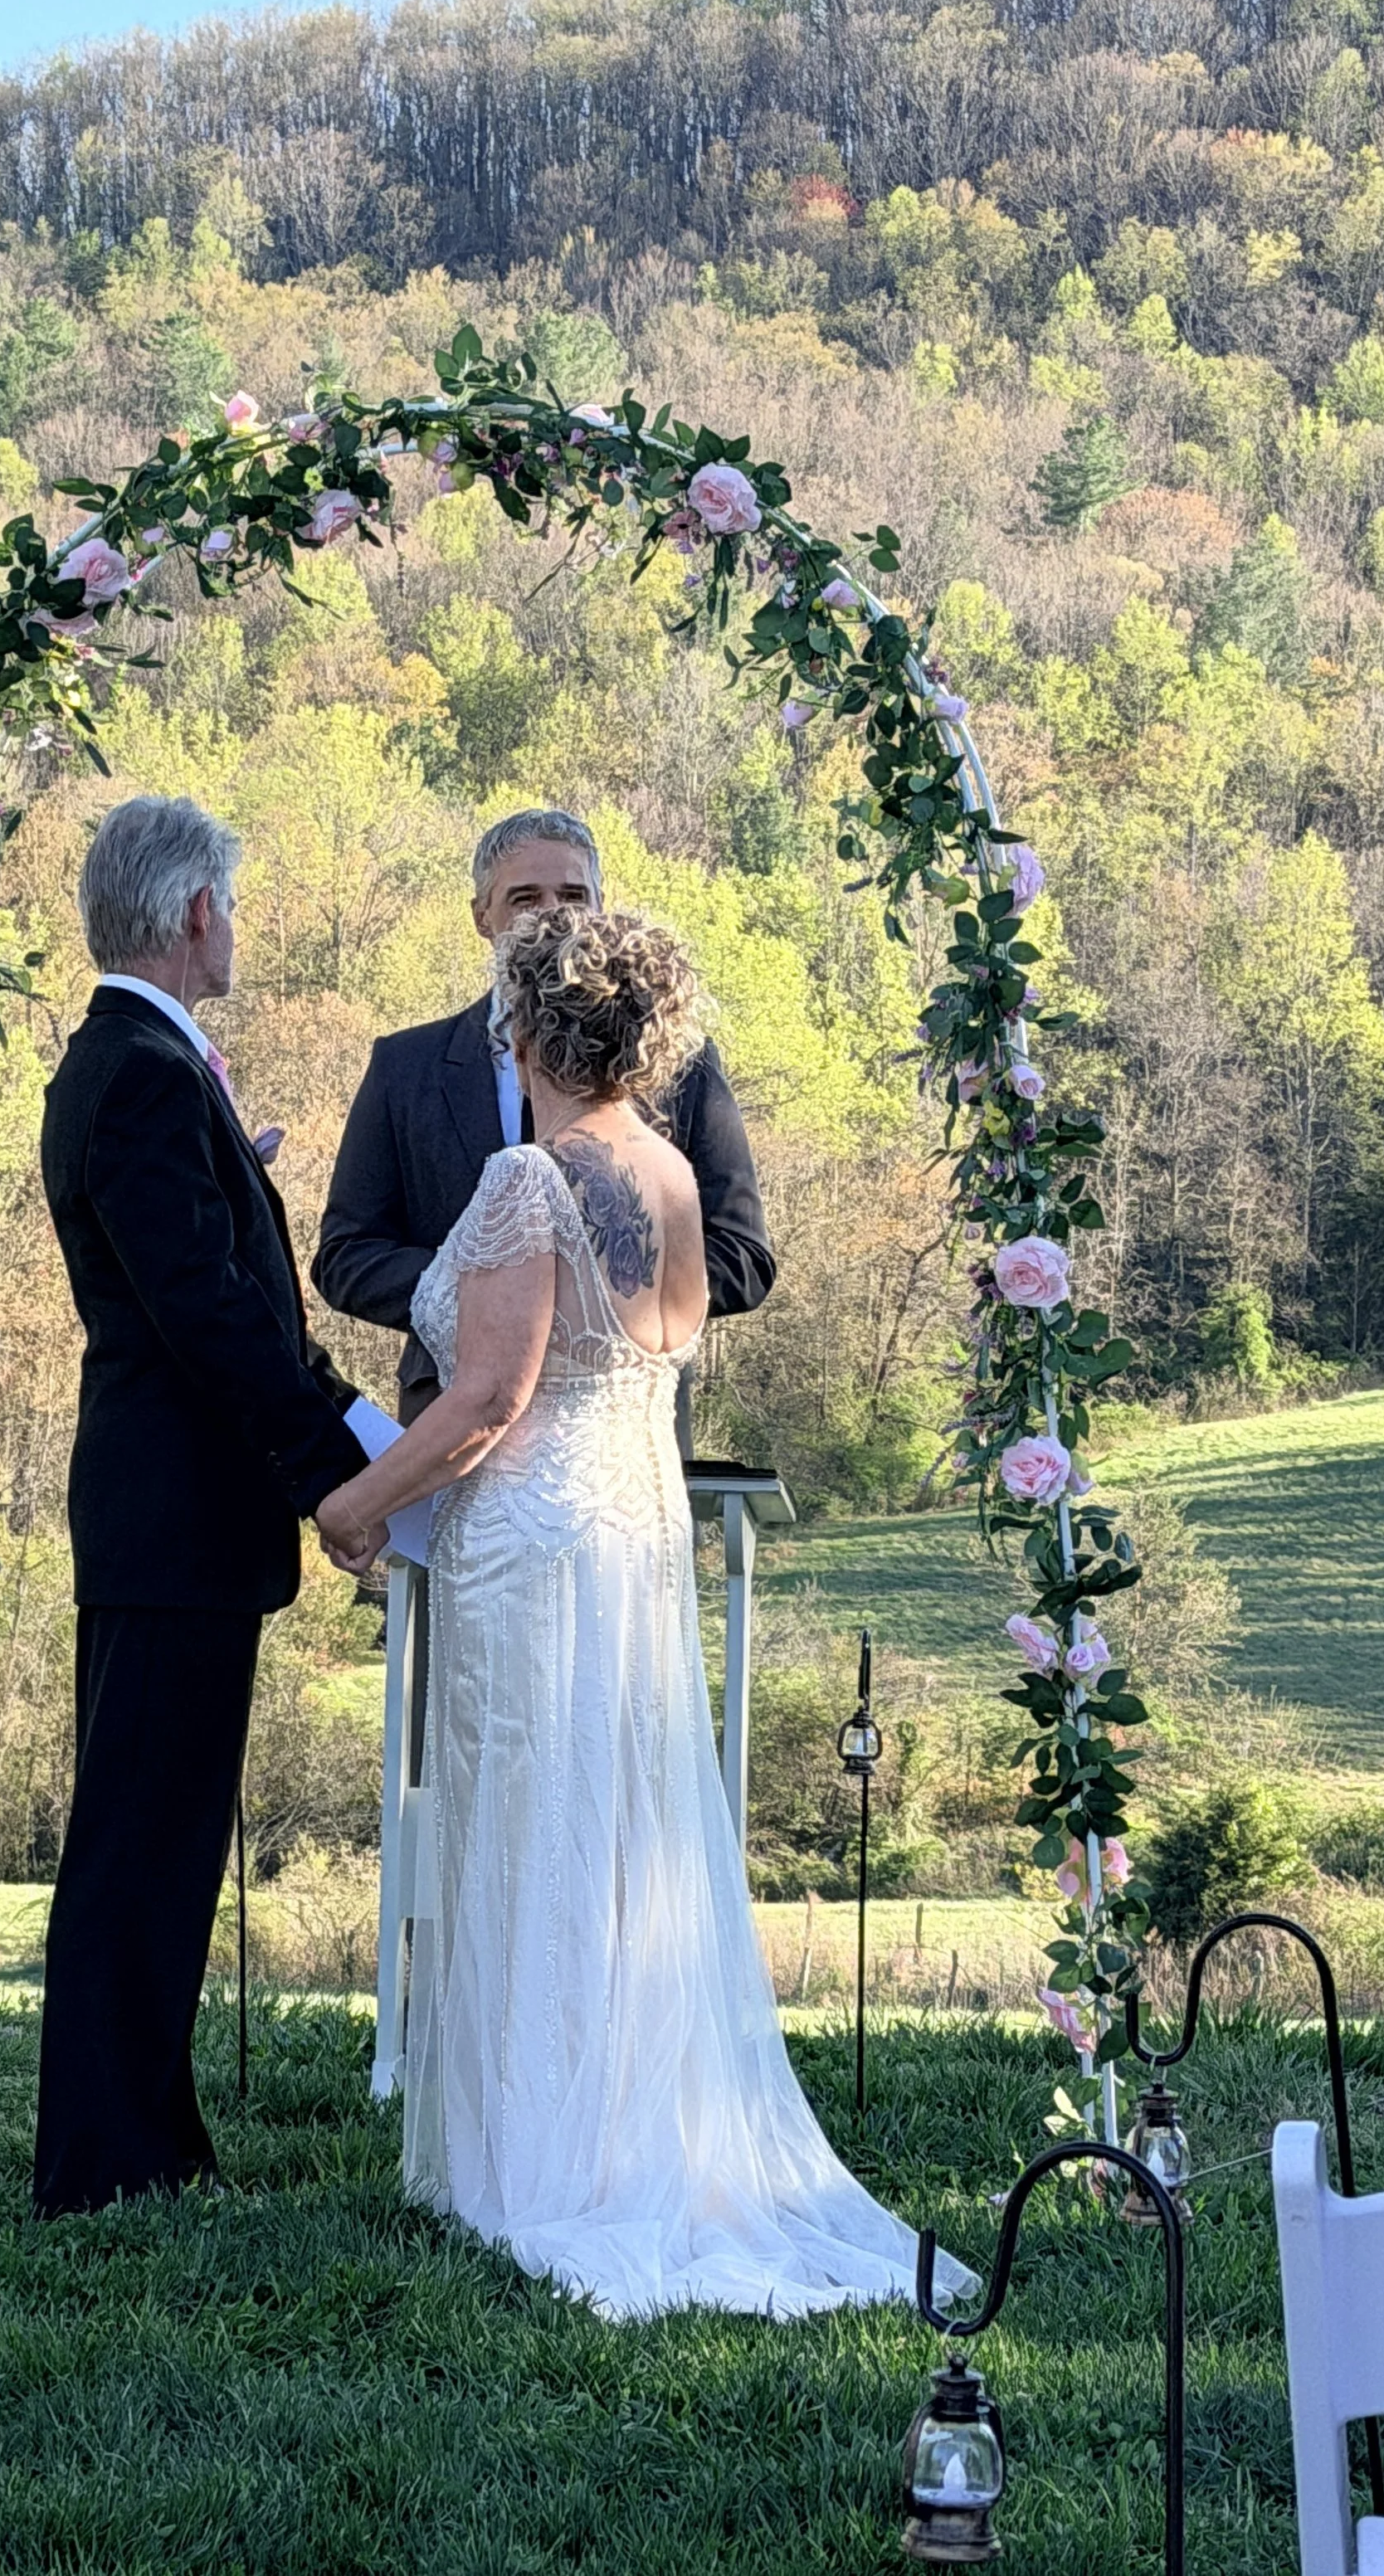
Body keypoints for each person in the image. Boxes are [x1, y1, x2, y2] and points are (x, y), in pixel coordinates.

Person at [312, 908, 953, 2318]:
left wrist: (356, 1508)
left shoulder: (525, 1183)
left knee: (534, 1833)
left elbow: (487, 1401)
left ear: (529, 1028)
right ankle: (611, 2128)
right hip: (634, 1539)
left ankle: (536, 2162)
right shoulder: (666, 1174)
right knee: (617, 1844)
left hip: (532, 1549)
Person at [33, 794, 370, 2215]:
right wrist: (339, 1466)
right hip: (175, 1517)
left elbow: (205, 1269)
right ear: (192, 914)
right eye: (230, 902)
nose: (236, 923)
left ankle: (140, 2141)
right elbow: (207, 1314)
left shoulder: (130, 1065)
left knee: (158, 1838)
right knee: (144, 1844)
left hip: (161, 1517)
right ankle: (112, 2164)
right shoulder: (148, 1074)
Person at [312, 808, 773, 1439]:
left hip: (623, 1428)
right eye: (526, 897)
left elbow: (743, 1253)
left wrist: (613, 1296)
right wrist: (487, 1292)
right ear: (482, 915)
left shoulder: (681, 1063)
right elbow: (345, 1256)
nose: (554, 914)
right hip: (451, 1419)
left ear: (602, 904)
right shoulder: (404, 1067)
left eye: (574, 895)